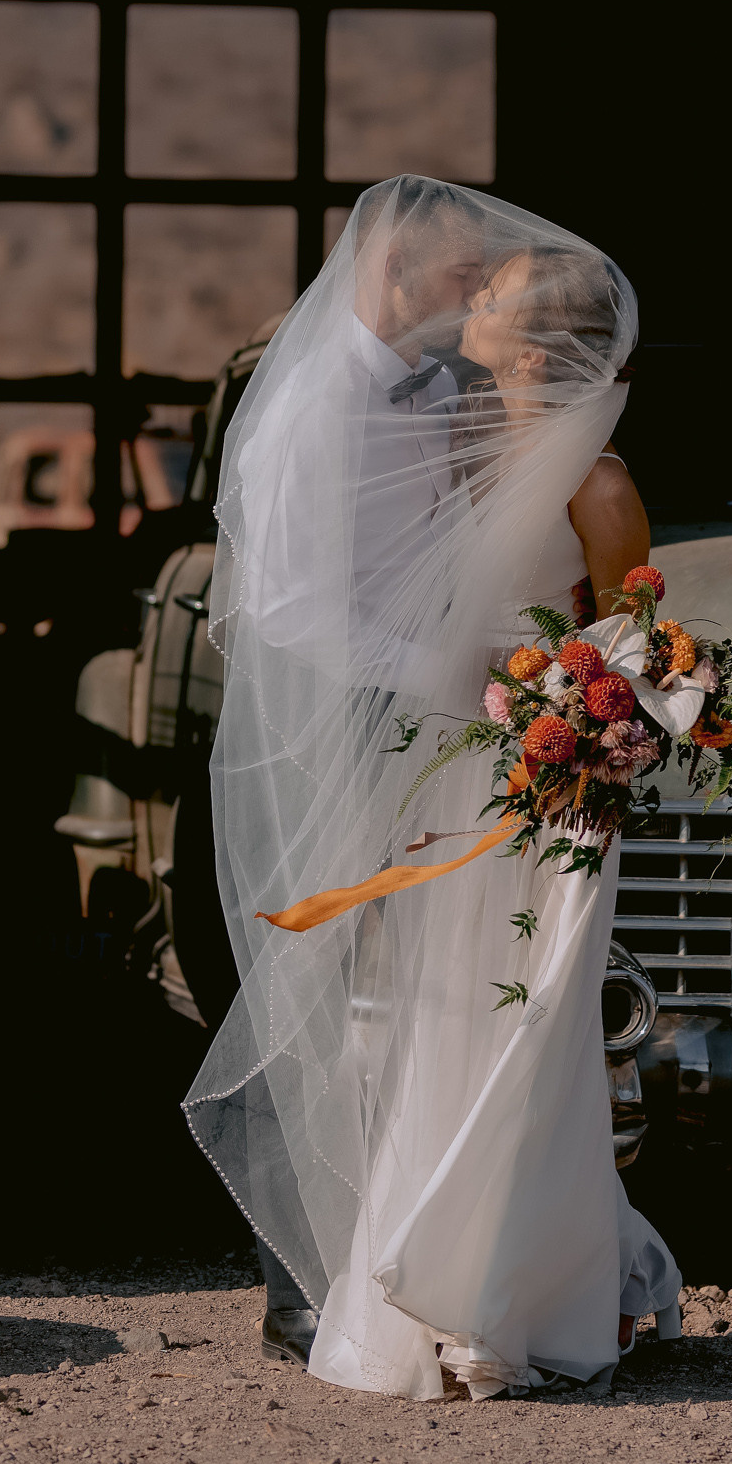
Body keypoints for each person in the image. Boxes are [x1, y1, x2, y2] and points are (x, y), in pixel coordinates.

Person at [184, 179, 680, 1399]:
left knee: (524, 1032)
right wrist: (461, 686)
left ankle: (522, 1285)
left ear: (533, 344)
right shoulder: (325, 412)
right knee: (416, 1031)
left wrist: (591, 735)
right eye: (465, 282)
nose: (468, 310)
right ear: (400, 269)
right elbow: (296, 608)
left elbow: (629, 639)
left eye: (490, 300)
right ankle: (404, 1283)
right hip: (419, 756)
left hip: (528, 782)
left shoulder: (565, 465)